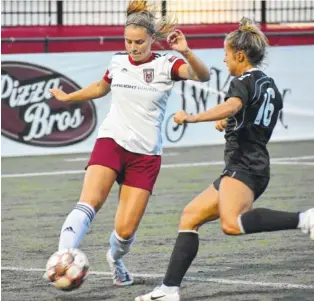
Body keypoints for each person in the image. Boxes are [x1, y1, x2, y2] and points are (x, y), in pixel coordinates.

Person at [135, 17, 314, 301]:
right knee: (190, 215)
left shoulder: (243, 80)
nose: (223, 60)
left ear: (239, 55)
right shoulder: (268, 84)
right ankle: (168, 289)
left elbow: (234, 105)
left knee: (232, 223)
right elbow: (255, 118)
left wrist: (193, 116)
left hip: (246, 164)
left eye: (225, 54)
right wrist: (230, 123)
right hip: (248, 163)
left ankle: (303, 219)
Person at [46, 0, 210, 286]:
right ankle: (63, 256)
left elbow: (202, 75)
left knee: (124, 232)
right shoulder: (118, 61)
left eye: (139, 42)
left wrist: (185, 52)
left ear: (151, 40)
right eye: (128, 41)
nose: (133, 48)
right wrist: (68, 98)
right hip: (112, 141)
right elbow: (101, 87)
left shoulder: (167, 65)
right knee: (89, 202)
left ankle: (116, 258)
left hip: (145, 155)